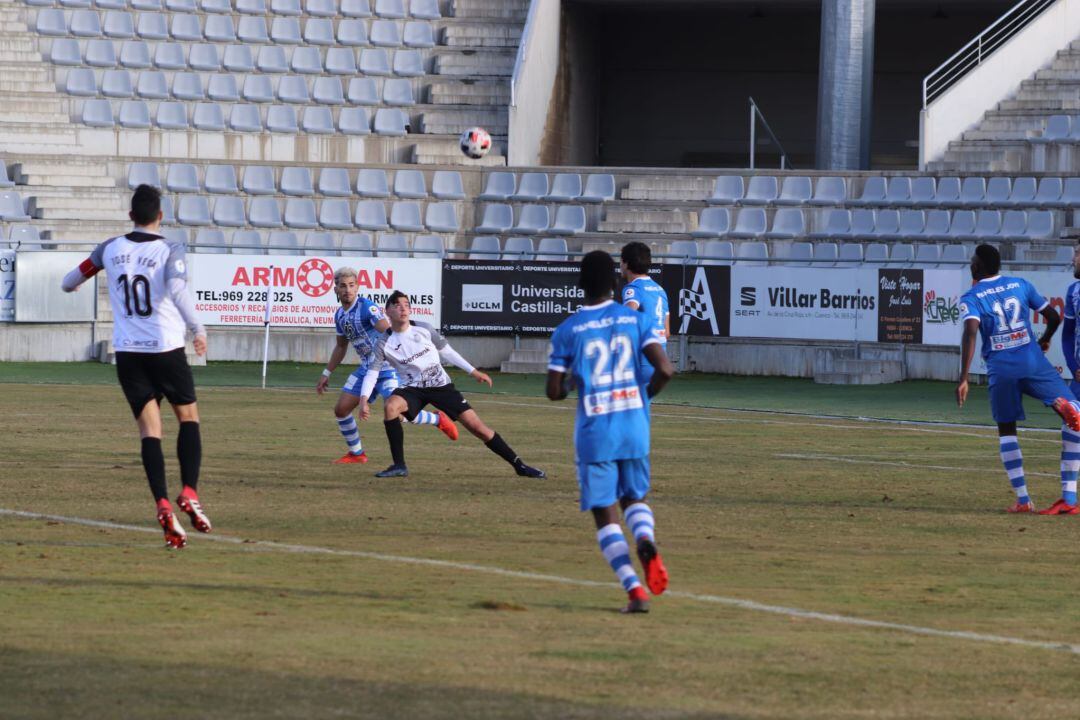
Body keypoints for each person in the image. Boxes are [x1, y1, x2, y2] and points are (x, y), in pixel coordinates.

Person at [60, 184, 211, 548]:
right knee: (188, 419)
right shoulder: (169, 248)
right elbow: (176, 290)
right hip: (165, 348)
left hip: (128, 352)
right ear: (160, 215)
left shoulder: (109, 248)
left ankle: (161, 502)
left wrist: (76, 285)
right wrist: (198, 328)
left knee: (149, 431)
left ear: (130, 216)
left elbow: (69, 281)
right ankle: (188, 492)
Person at [547, 251, 675, 613]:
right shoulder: (633, 321)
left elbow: (553, 391)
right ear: (615, 282)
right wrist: (641, 398)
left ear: (580, 284)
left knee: (605, 513)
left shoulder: (568, 330)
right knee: (634, 498)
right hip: (633, 425)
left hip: (596, 431)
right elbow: (665, 369)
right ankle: (646, 539)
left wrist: (574, 379)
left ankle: (634, 590)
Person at [357, 291, 546, 479]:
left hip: (441, 387)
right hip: (413, 389)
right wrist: (364, 400)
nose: (403, 308)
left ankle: (520, 466)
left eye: (406, 304)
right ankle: (399, 466)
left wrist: (474, 371)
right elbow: (372, 372)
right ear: (387, 311)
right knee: (391, 406)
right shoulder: (384, 343)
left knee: (477, 428)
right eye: (397, 305)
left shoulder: (424, 329)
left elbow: (448, 352)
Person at [956, 243, 1080, 515]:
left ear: (976, 267)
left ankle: (1023, 500)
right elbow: (1053, 317)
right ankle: (1069, 498)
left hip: (1002, 368)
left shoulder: (972, 297)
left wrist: (964, 377)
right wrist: (1044, 339)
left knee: (1007, 430)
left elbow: (970, 332)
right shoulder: (1020, 284)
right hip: (1033, 359)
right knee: (1076, 417)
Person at [316, 268, 457, 464]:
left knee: (396, 413)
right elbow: (341, 346)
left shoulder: (367, 308)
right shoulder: (340, 315)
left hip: (388, 368)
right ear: (336, 289)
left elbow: (389, 330)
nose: (347, 290)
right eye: (343, 286)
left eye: (351, 285)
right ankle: (357, 454)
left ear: (357, 287)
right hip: (367, 369)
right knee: (341, 409)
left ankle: (437, 419)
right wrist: (326, 372)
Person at [620, 242, 669, 384]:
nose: (620, 266)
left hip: (641, 358)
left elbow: (626, 318)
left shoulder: (633, 289)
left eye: (621, 262)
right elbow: (666, 332)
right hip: (659, 358)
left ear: (626, 263)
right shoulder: (660, 290)